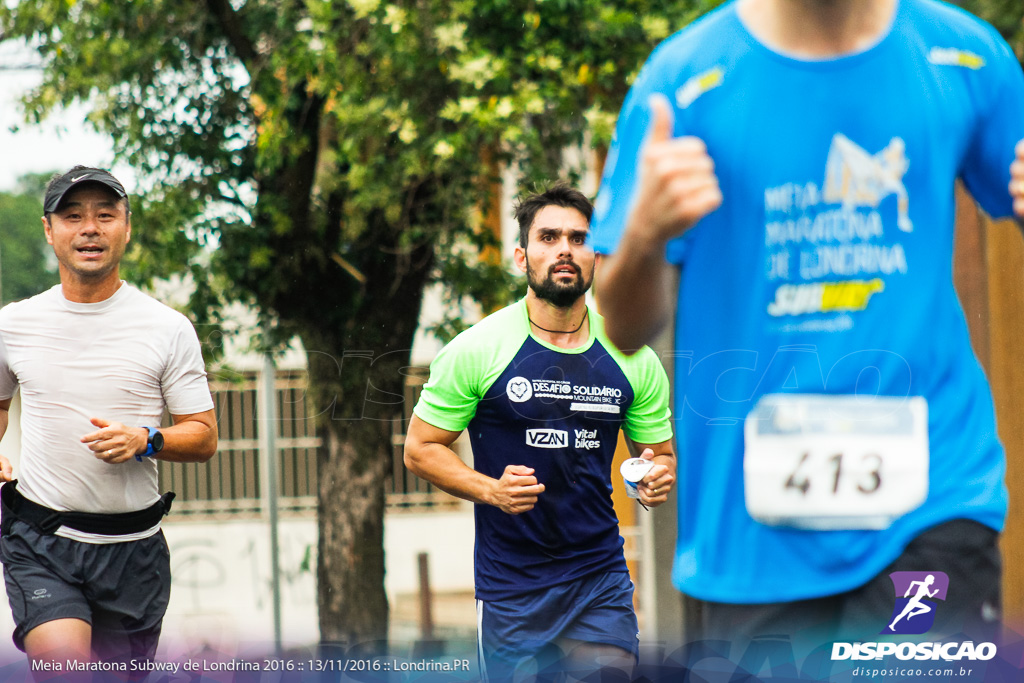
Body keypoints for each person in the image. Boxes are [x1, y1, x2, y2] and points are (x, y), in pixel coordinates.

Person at [591, 0, 1024, 653]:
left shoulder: (965, 54)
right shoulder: (681, 81)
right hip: (751, 532)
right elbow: (622, 327)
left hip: (934, 493)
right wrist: (646, 237)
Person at [404, 184, 676, 681]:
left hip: (599, 577)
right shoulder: (476, 349)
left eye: (578, 238)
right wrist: (492, 491)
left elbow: (659, 456)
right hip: (513, 587)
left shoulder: (634, 356)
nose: (565, 249)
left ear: (597, 256)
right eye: (548, 237)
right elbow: (421, 449)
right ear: (521, 255)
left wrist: (656, 477)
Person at [0, 166, 218, 676]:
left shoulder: (167, 328)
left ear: (127, 226)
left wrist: (147, 439)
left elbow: (203, 436)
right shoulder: (13, 324)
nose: (90, 228)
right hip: (41, 541)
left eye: (105, 215)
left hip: (133, 553)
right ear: (49, 230)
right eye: (72, 216)